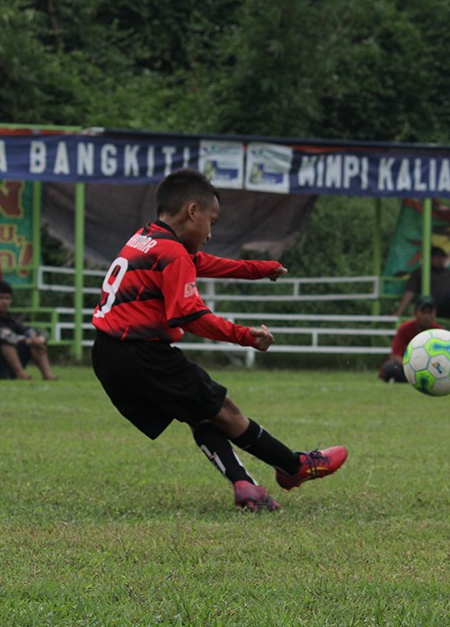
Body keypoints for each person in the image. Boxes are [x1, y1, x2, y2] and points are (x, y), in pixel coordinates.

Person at [91, 168, 347, 512]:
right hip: (142, 353)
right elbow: (192, 317)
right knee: (224, 410)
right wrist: (246, 336)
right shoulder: (173, 253)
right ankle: (293, 466)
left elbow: (203, 263)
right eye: (212, 221)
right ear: (192, 211)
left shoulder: (146, 237)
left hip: (108, 354)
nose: (211, 232)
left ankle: (246, 486)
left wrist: (258, 269)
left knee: (201, 413)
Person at [0, 280, 58, 381]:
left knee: (35, 338)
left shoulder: (11, 320)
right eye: (0, 298)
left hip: (6, 366)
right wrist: (26, 340)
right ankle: (20, 373)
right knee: (6, 340)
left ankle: (47, 375)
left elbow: (33, 331)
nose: (4, 302)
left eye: (7, 298)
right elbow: (0, 335)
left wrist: (39, 339)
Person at [380, 294, 442, 383]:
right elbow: (395, 355)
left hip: (432, 367)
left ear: (435, 314)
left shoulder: (439, 331)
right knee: (391, 368)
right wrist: (413, 366)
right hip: (408, 367)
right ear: (415, 313)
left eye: (430, 312)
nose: (426, 316)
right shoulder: (405, 328)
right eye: (423, 312)